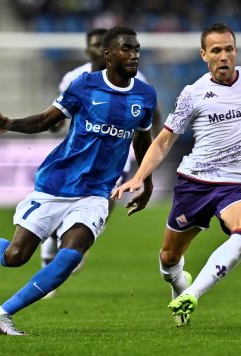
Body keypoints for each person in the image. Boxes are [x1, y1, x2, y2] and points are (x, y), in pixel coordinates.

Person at [0, 26, 156, 335]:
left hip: (96, 192)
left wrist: (145, 182)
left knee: (71, 254)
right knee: (15, 256)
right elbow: (47, 121)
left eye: (136, 49)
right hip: (57, 184)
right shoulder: (83, 85)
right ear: (108, 54)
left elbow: (142, 142)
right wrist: (11, 124)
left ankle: (1, 315)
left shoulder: (145, 94)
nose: (134, 54)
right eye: (126, 49)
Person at [112, 23, 241, 327]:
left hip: (238, 183)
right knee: (168, 258)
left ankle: (192, 294)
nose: (224, 56)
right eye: (216, 50)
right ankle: (179, 286)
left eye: (229, 49)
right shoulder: (193, 94)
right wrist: (140, 176)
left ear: (236, 51)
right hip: (196, 182)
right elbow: (164, 140)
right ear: (204, 55)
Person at [40, 28, 162, 290]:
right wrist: (53, 124)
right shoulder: (75, 78)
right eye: (93, 45)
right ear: (90, 50)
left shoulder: (136, 77)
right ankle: (53, 242)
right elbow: (59, 111)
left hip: (116, 156)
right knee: (63, 203)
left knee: (104, 205)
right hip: (79, 155)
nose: (97, 49)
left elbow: (152, 114)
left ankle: (77, 245)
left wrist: (155, 144)